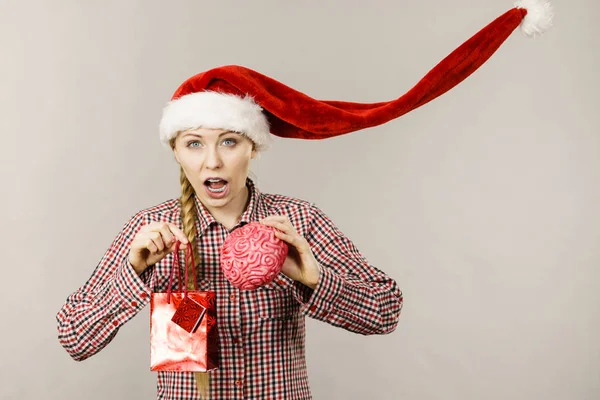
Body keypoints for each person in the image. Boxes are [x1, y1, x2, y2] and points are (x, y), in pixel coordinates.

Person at [56, 2, 552, 399]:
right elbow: (73, 338)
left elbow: (386, 312)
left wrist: (313, 278)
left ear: (253, 146)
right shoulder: (153, 230)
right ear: (176, 151)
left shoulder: (296, 221)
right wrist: (134, 273)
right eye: (194, 144)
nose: (212, 162)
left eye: (229, 141)